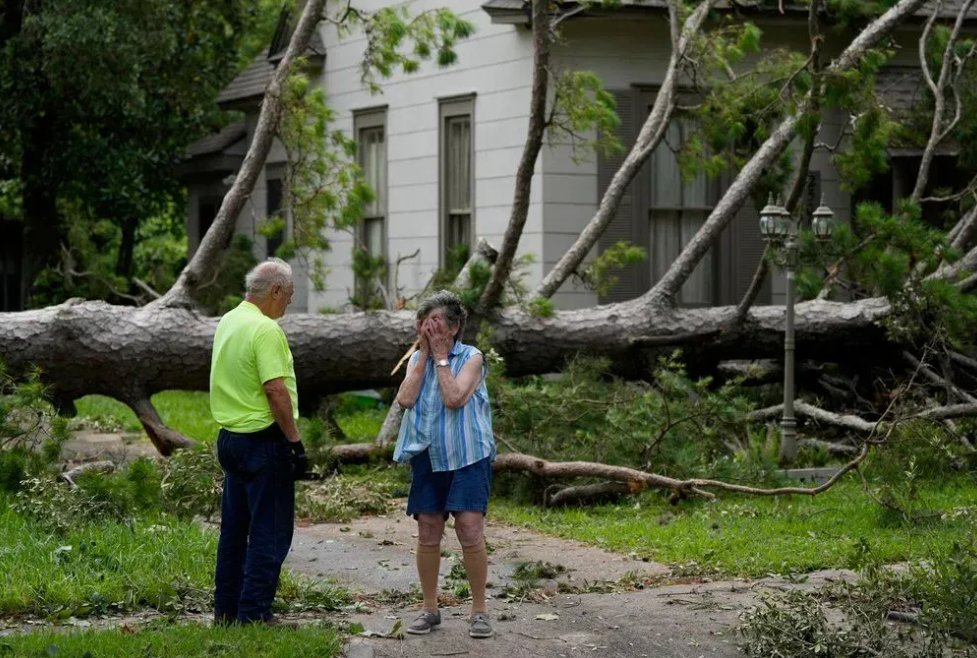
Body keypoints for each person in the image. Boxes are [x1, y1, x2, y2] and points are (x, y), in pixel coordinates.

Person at [394, 290, 497, 639]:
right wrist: (424, 356)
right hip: (428, 454)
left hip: (468, 455)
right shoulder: (416, 359)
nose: (429, 327)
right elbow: (405, 399)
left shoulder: (472, 357)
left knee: (469, 528)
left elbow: (454, 399)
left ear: (453, 327)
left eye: (436, 321)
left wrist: (441, 357)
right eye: (425, 322)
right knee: (428, 529)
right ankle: (429, 608)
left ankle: (479, 611)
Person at [210, 257, 307, 625]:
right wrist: (294, 442)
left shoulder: (229, 321)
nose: (289, 303)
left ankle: (226, 610)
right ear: (276, 290)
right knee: (271, 529)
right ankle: (254, 614)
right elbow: (274, 389)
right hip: (264, 441)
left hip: (231, 438)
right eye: (290, 294)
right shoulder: (266, 330)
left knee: (234, 530)